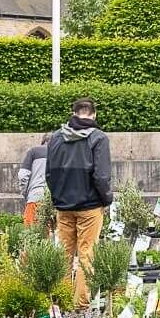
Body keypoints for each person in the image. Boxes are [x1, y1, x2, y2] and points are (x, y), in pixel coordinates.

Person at [44, 96, 112, 301]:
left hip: (63, 205)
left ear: (73, 113)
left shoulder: (56, 137)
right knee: (87, 255)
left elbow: (49, 173)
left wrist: (57, 197)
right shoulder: (98, 138)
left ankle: (62, 301)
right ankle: (81, 305)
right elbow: (101, 176)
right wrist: (106, 199)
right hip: (90, 206)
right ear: (94, 114)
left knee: (63, 254)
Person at [17, 139, 48, 228]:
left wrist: (25, 193)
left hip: (35, 197)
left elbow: (23, 175)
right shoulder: (62, 154)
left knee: (30, 232)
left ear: (43, 142)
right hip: (56, 202)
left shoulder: (34, 151)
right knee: (53, 236)